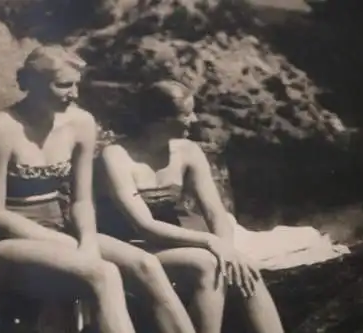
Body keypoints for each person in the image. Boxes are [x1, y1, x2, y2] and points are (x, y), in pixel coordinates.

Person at [0, 46, 201, 333]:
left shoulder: (82, 123)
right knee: (103, 273)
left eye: (76, 84)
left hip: (60, 227)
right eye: (63, 85)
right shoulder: (1, 127)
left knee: (147, 265)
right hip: (3, 241)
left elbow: (82, 201)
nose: (74, 93)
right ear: (33, 84)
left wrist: (87, 241)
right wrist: (66, 244)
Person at [94, 79, 285, 333]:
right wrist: (210, 242)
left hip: (168, 243)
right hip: (129, 246)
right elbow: (144, 226)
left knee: (243, 268)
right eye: (187, 113)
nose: (194, 119)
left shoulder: (188, 151)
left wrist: (227, 250)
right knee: (207, 264)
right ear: (160, 120)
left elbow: (216, 213)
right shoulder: (116, 156)